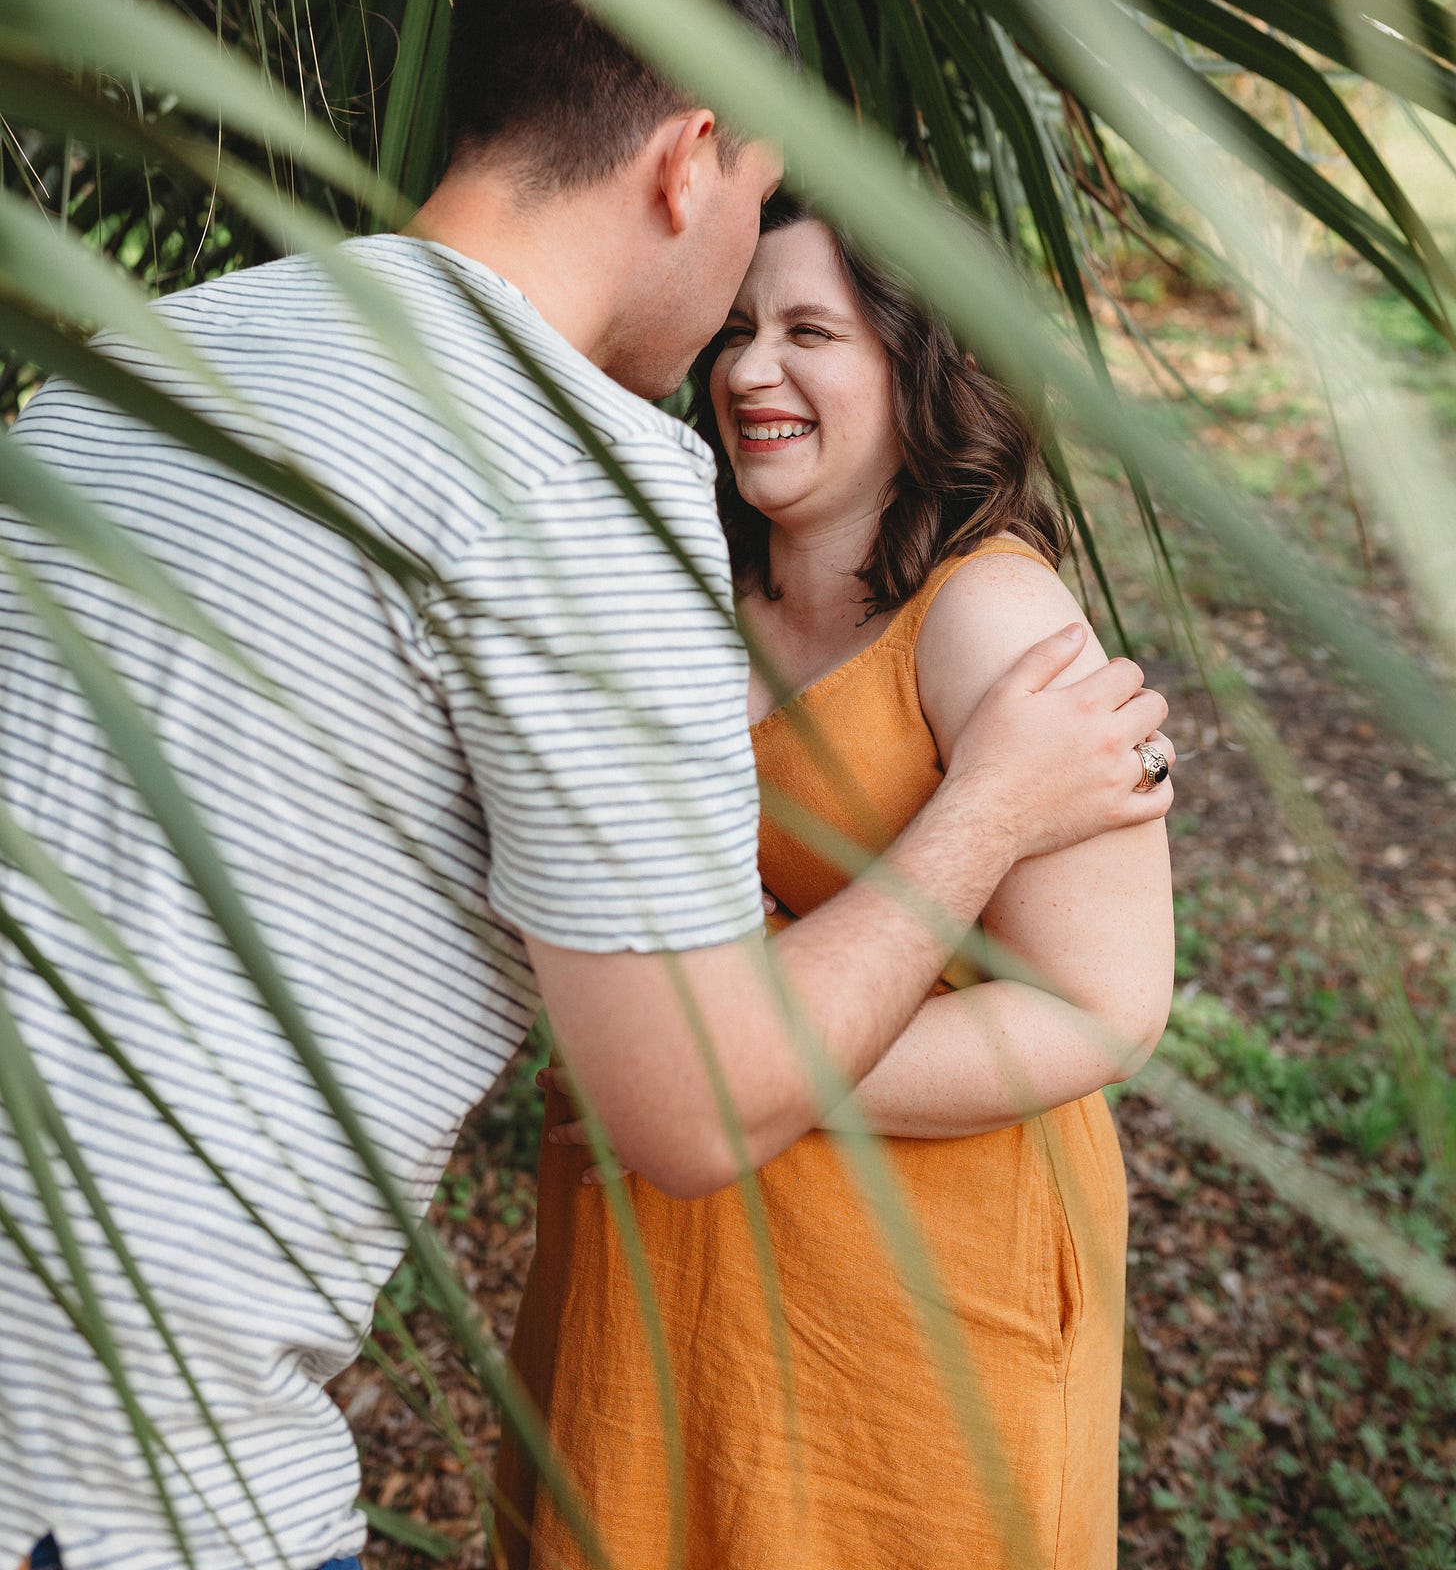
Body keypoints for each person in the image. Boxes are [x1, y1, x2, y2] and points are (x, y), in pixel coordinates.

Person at [0, 0, 1171, 1570]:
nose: (734, 336)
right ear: (691, 162)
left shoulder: (143, 360)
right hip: (125, 1480)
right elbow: (690, 1103)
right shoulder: (572, 482)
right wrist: (987, 805)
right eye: (755, 211)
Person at [494, 196, 1175, 1570]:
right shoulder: (683, 579)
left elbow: (1102, 1004)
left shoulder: (990, 615)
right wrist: (688, 1079)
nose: (750, 372)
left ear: (921, 365)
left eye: (811, 331)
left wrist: (715, 1074)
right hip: (664, 1262)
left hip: (910, 1301)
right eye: (737, 331)